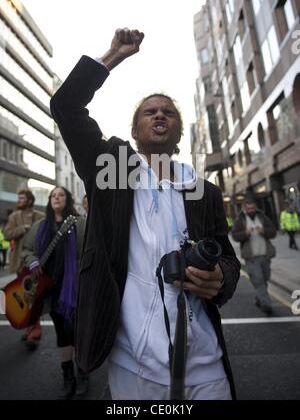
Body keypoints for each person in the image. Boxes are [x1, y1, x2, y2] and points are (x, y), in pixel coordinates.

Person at [50, 28, 241, 400]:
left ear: (178, 132)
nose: (159, 115)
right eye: (150, 111)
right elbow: (66, 107)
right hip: (133, 364)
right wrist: (112, 56)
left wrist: (220, 278)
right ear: (134, 130)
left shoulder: (204, 192)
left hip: (204, 362)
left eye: (168, 112)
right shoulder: (109, 172)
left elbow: (229, 261)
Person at [22, 186, 87, 399]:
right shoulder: (40, 226)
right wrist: (32, 263)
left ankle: (83, 373)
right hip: (50, 289)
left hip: (74, 289)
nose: (56, 198)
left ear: (67, 200)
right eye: (53, 195)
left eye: (61, 195)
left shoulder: (80, 224)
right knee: (62, 333)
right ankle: (68, 376)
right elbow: (27, 250)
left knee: (76, 332)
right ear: (49, 201)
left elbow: (92, 251)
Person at [4, 189, 45, 346]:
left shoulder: (40, 216)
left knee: (34, 296)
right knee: (23, 296)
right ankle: (29, 328)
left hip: (36, 263)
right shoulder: (14, 216)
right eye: (18, 197)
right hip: (20, 263)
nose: (19, 200)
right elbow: (7, 234)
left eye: (22, 197)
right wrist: (23, 228)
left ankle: (34, 330)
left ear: (29, 200)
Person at [231, 194, 277, 315]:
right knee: (259, 280)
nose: (251, 210)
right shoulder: (240, 219)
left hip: (265, 255)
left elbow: (273, 232)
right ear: (245, 208)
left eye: (252, 208)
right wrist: (245, 233)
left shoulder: (262, 217)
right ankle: (266, 305)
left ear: (255, 207)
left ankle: (259, 298)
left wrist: (264, 231)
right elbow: (235, 236)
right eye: (248, 208)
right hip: (251, 257)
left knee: (265, 279)